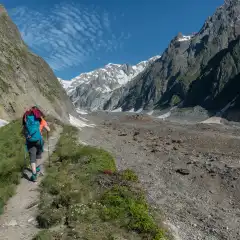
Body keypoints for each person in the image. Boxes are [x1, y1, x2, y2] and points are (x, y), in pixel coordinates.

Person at [22, 106, 50, 182]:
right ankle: (37, 167)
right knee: (38, 154)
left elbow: (23, 131)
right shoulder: (40, 119)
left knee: (32, 157)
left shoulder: (27, 119)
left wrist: (27, 136)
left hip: (30, 141)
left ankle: (34, 175)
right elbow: (48, 129)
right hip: (39, 140)